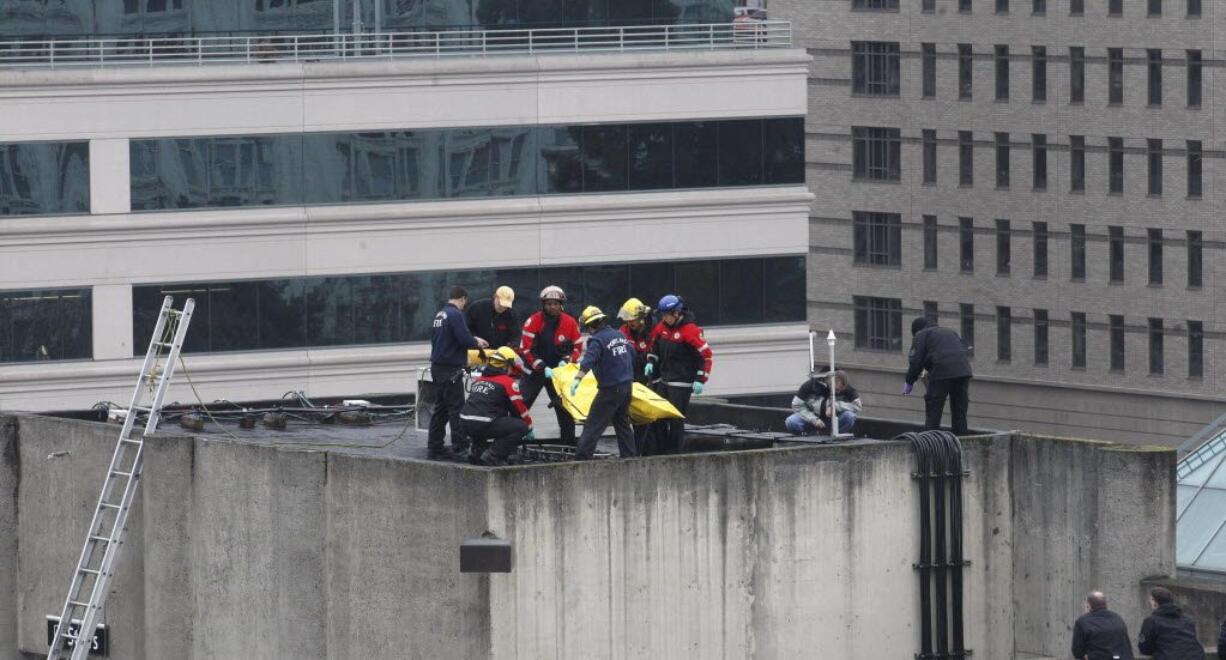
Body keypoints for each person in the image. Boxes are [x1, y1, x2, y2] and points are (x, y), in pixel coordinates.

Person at [645, 294, 712, 454]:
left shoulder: (690, 331)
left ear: (676, 313)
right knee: (657, 416)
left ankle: (674, 452)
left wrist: (700, 379)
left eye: (666, 314)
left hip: (681, 384)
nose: (663, 318)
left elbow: (705, 357)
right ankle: (660, 450)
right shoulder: (662, 327)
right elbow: (654, 347)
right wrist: (650, 362)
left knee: (675, 420)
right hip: (664, 380)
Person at [428, 286, 487, 460]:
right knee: (456, 408)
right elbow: (464, 339)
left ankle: (435, 446)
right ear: (462, 299)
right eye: (464, 303)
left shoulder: (440, 314)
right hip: (450, 369)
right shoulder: (456, 315)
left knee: (441, 409)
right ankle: (460, 447)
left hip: (438, 367)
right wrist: (477, 343)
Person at [571, 306, 636, 459]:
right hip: (627, 386)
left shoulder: (597, 339)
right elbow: (632, 354)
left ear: (590, 326)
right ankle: (630, 457)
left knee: (593, 424)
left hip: (610, 390)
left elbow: (589, 360)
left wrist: (578, 379)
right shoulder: (619, 335)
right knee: (622, 423)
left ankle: (581, 459)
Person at [518, 285, 580, 445]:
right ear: (543, 304)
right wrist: (541, 366)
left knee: (565, 410)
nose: (553, 306)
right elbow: (525, 349)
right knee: (520, 407)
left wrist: (567, 361)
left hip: (558, 374)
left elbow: (578, 347)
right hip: (534, 372)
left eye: (556, 303)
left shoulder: (570, 322)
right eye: (549, 303)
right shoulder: (533, 321)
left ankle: (569, 445)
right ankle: (510, 445)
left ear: (561, 304)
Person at [460, 346, 534, 466]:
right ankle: (492, 455)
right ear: (506, 365)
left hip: (465, 423)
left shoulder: (479, 379)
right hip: (483, 423)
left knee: (487, 417)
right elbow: (520, 410)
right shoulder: (507, 382)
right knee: (520, 427)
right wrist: (529, 426)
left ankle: (476, 452)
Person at [902, 316, 974, 435]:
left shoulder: (921, 335)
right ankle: (961, 442)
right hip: (963, 372)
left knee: (933, 409)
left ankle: (931, 442)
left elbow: (915, 361)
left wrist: (909, 383)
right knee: (959, 411)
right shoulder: (950, 332)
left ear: (916, 330)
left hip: (941, 372)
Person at [617, 297, 655, 451]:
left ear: (641, 318)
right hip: (631, 378)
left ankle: (649, 451)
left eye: (631, 319)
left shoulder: (653, 330)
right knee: (636, 417)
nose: (629, 323)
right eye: (627, 320)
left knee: (648, 418)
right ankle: (638, 450)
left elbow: (657, 349)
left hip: (651, 377)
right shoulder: (624, 332)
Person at [785, 370, 862, 436]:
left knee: (850, 416)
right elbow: (796, 405)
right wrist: (813, 419)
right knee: (791, 421)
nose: (838, 392)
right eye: (837, 389)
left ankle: (832, 435)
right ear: (831, 381)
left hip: (833, 421)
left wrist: (835, 406)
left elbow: (858, 405)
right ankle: (809, 436)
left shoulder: (846, 388)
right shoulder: (809, 385)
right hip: (811, 420)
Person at [1137, 586, 1206, 660]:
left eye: (1151, 600)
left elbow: (1144, 648)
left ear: (1155, 602)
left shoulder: (1151, 621)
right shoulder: (1187, 620)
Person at [1071, 591, 1134, 660]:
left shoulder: (1083, 622)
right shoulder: (1118, 618)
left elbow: (1077, 652)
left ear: (1088, 605)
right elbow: (1126, 646)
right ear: (1106, 604)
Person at [465, 285, 520, 349]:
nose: (502, 307)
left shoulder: (511, 314)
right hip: (476, 351)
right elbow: (465, 328)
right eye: (501, 304)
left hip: (499, 354)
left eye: (506, 305)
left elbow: (516, 335)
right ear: (495, 297)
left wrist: (512, 345)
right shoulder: (477, 308)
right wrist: (474, 339)